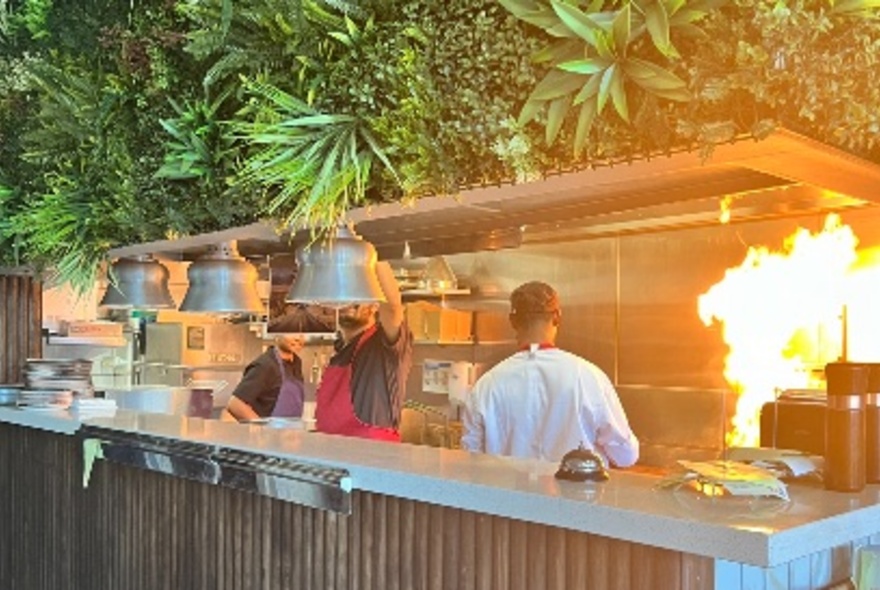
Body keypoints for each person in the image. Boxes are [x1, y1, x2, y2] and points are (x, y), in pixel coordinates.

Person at [461, 281, 639, 467]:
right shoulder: (588, 376)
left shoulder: (486, 385)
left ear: (512, 321)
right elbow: (626, 455)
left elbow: (472, 459)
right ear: (557, 317)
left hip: (507, 494)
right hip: (576, 495)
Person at [315, 261, 413, 441]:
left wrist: (371, 251)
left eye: (357, 294)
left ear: (376, 304)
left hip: (372, 458)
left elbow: (393, 308)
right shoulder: (339, 350)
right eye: (343, 295)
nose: (349, 301)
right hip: (332, 455)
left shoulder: (384, 344)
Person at [221, 334, 306, 421]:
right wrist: (263, 430)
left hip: (293, 431)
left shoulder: (296, 362)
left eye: (302, 334)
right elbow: (235, 404)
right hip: (271, 433)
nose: (298, 338)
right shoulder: (265, 365)